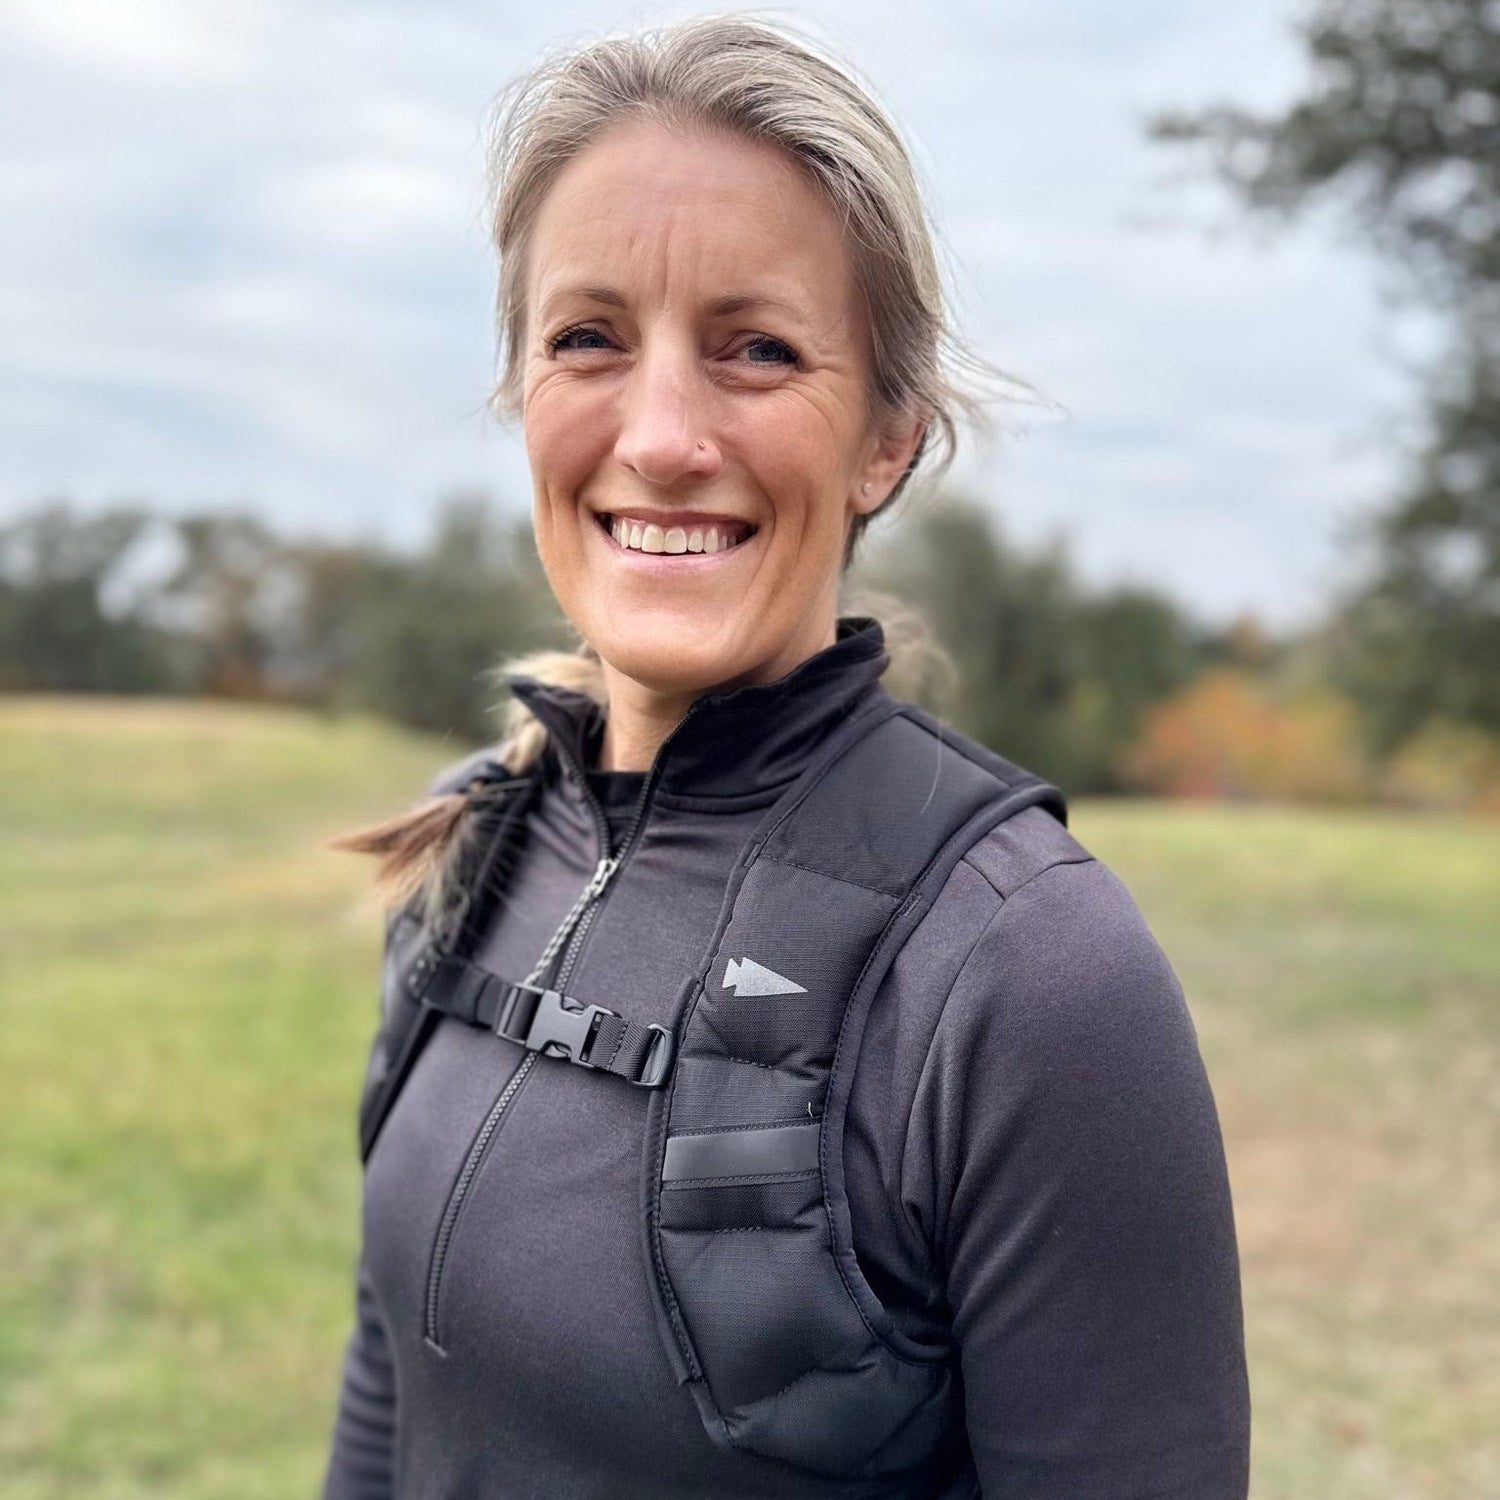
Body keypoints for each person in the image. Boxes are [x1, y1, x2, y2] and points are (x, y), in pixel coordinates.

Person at [320, 16, 1250, 1498]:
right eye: (589, 340)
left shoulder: (1032, 977)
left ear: (888, 437)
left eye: (757, 349)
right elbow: (391, 1395)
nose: (665, 434)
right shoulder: (475, 843)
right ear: (520, 390)